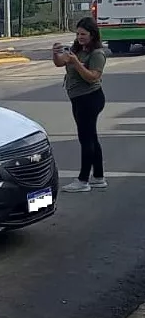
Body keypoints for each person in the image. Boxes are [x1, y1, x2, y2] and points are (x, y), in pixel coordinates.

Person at [52, 17, 108, 193]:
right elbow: (60, 62)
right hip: (78, 99)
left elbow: (93, 77)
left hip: (90, 99)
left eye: (83, 34)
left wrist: (76, 62)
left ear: (92, 35)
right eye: (77, 34)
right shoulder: (77, 49)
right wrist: (55, 53)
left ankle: (83, 180)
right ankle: (98, 177)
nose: (80, 37)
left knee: (86, 139)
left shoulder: (97, 54)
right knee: (91, 137)